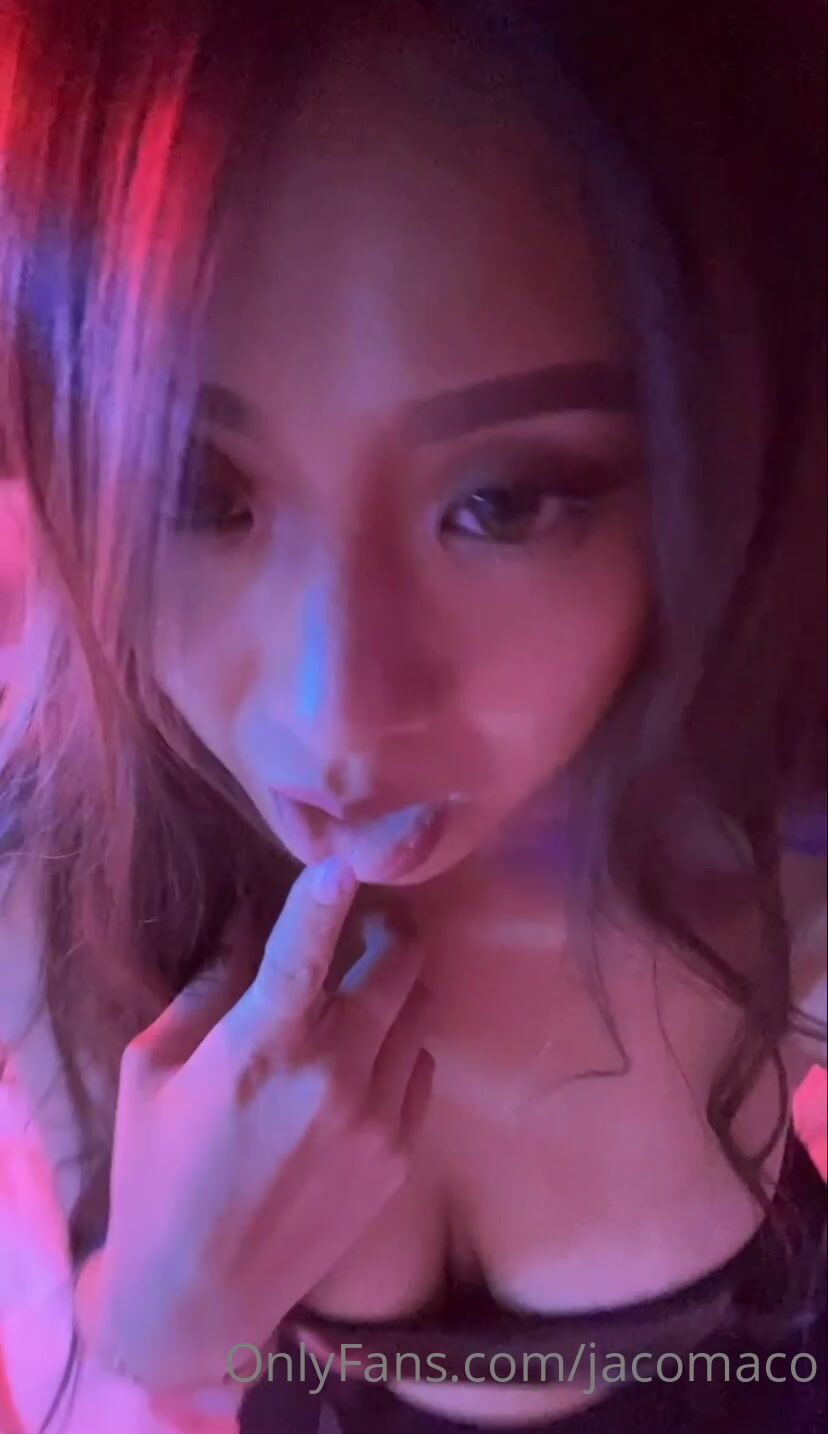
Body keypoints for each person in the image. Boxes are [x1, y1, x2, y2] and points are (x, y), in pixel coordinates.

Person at [0, 2, 825, 1430]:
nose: (334, 715)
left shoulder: (789, 870)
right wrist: (158, 1316)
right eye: (195, 487)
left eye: (503, 502)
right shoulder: (56, 889)